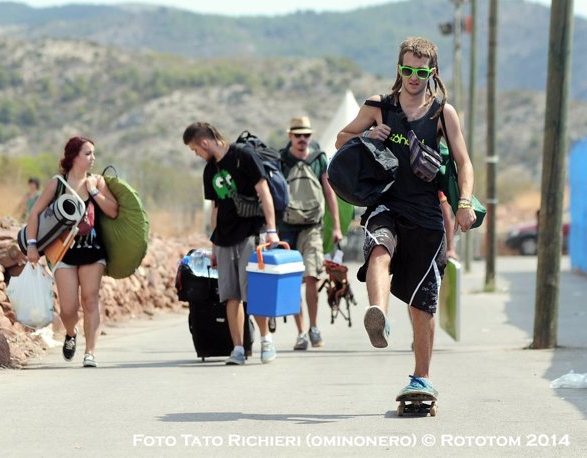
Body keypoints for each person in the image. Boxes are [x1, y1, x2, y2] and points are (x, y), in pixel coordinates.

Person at [335, 37, 476, 398]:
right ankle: (377, 314)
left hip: (427, 214)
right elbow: (340, 139)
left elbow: (463, 162)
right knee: (379, 247)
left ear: (432, 72)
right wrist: (367, 133)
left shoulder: (443, 112)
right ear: (400, 69)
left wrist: (464, 203)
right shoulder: (379, 105)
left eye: (421, 71)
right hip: (386, 202)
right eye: (408, 70)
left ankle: (421, 377)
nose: (414, 77)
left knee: (421, 303)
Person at [183, 122, 280, 366]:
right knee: (230, 295)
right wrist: (214, 246)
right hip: (224, 239)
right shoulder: (210, 170)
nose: (197, 154)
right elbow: (215, 208)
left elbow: (264, 191)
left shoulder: (243, 155)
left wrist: (271, 230)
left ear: (204, 142)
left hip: (250, 234)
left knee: (253, 293)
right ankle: (238, 347)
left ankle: (266, 340)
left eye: (196, 149)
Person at [25, 136, 118, 368]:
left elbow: (113, 211)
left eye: (93, 154)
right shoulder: (57, 183)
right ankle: (70, 332)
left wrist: (94, 192)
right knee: (68, 308)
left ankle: (90, 353)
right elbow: (35, 213)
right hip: (63, 252)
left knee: (90, 299)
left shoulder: (98, 181)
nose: (93, 158)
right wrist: (32, 245)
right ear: (73, 156)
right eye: (88, 154)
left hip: (92, 252)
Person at [277, 116, 342, 350]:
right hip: (286, 227)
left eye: (306, 135)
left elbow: (329, 192)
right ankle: (301, 332)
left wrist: (336, 226)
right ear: (290, 136)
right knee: (293, 282)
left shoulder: (318, 159)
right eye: (298, 135)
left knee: (312, 278)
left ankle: (314, 328)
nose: (302, 139)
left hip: (313, 226)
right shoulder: (280, 160)